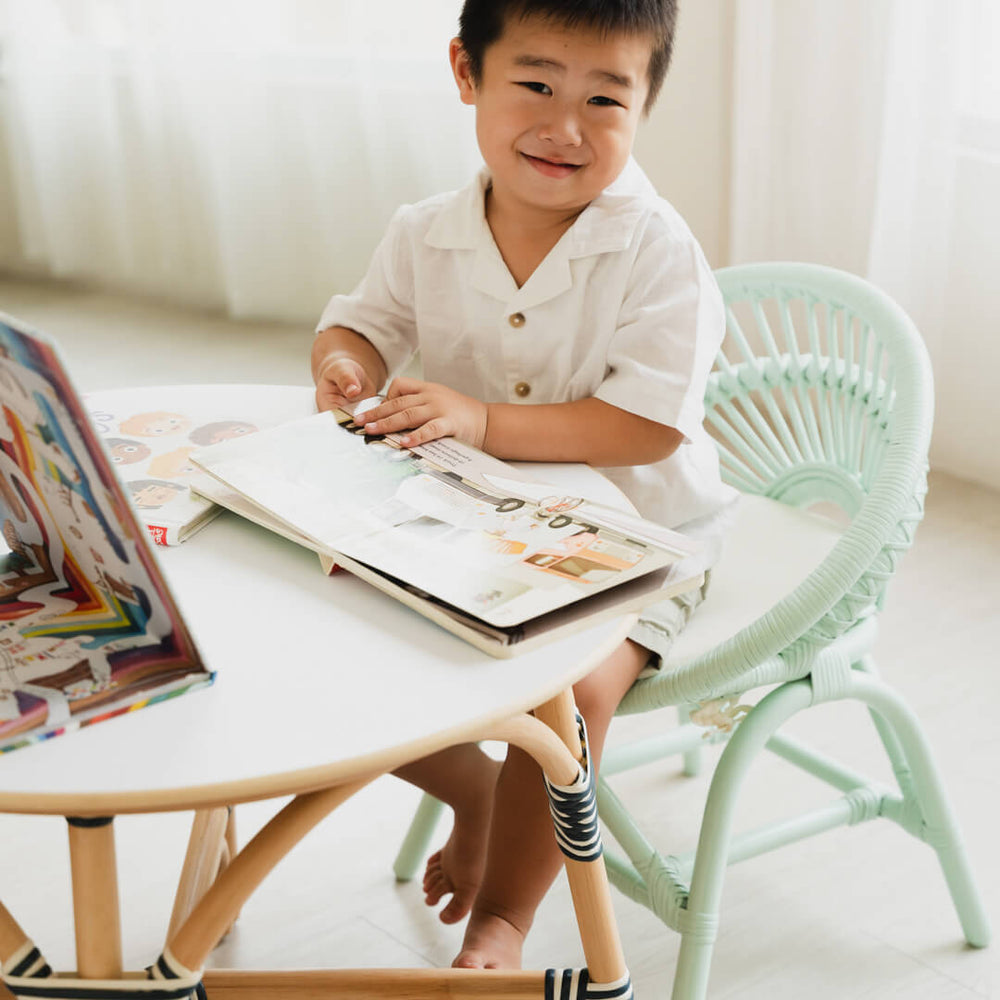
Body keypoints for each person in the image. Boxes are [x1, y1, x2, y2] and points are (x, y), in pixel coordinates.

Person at [311, 0, 737, 971]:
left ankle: (502, 918)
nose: (566, 126)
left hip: (641, 541)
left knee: (568, 690)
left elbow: (645, 422)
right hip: (464, 520)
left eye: (604, 98)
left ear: (645, 104)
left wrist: (483, 419)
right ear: (466, 71)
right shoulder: (426, 231)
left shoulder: (657, 248)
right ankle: (471, 787)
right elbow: (358, 325)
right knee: (320, 625)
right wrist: (343, 361)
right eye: (536, 85)